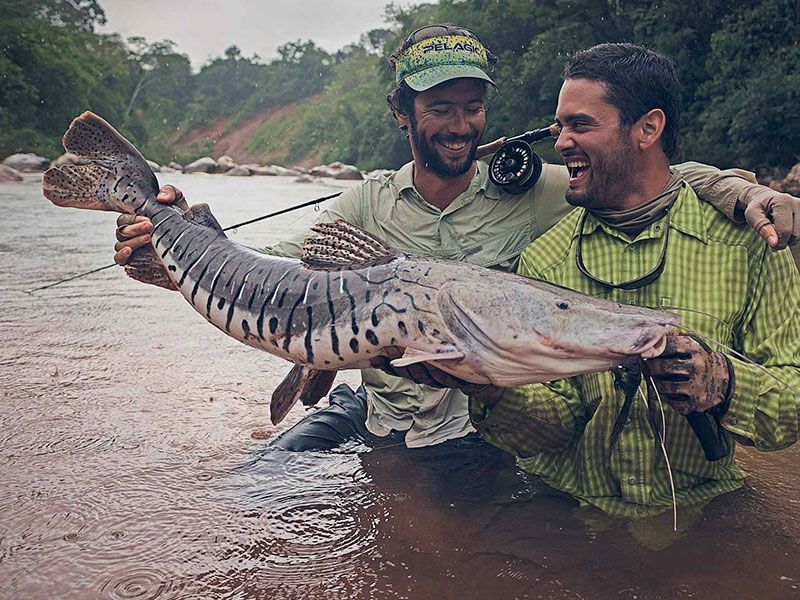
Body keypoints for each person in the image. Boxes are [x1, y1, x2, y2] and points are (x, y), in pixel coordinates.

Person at [113, 25, 800, 454]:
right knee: (255, 492)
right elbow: (267, 278)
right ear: (403, 114)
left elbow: (650, 178)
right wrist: (165, 246)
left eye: (472, 108)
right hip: (377, 416)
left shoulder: (546, 193)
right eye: (439, 108)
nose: (460, 125)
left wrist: (746, 192)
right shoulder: (363, 203)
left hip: (477, 430)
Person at [424, 42, 800, 517]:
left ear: (647, 128)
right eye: (560, 127)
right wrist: (487, 386)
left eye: (580, 125)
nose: (560, 142)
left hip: (704, 506)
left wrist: (722, 383)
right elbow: (553, 429)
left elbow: (792, 409)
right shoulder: (544, 258)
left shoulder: (750, 243)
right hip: (568, 511)